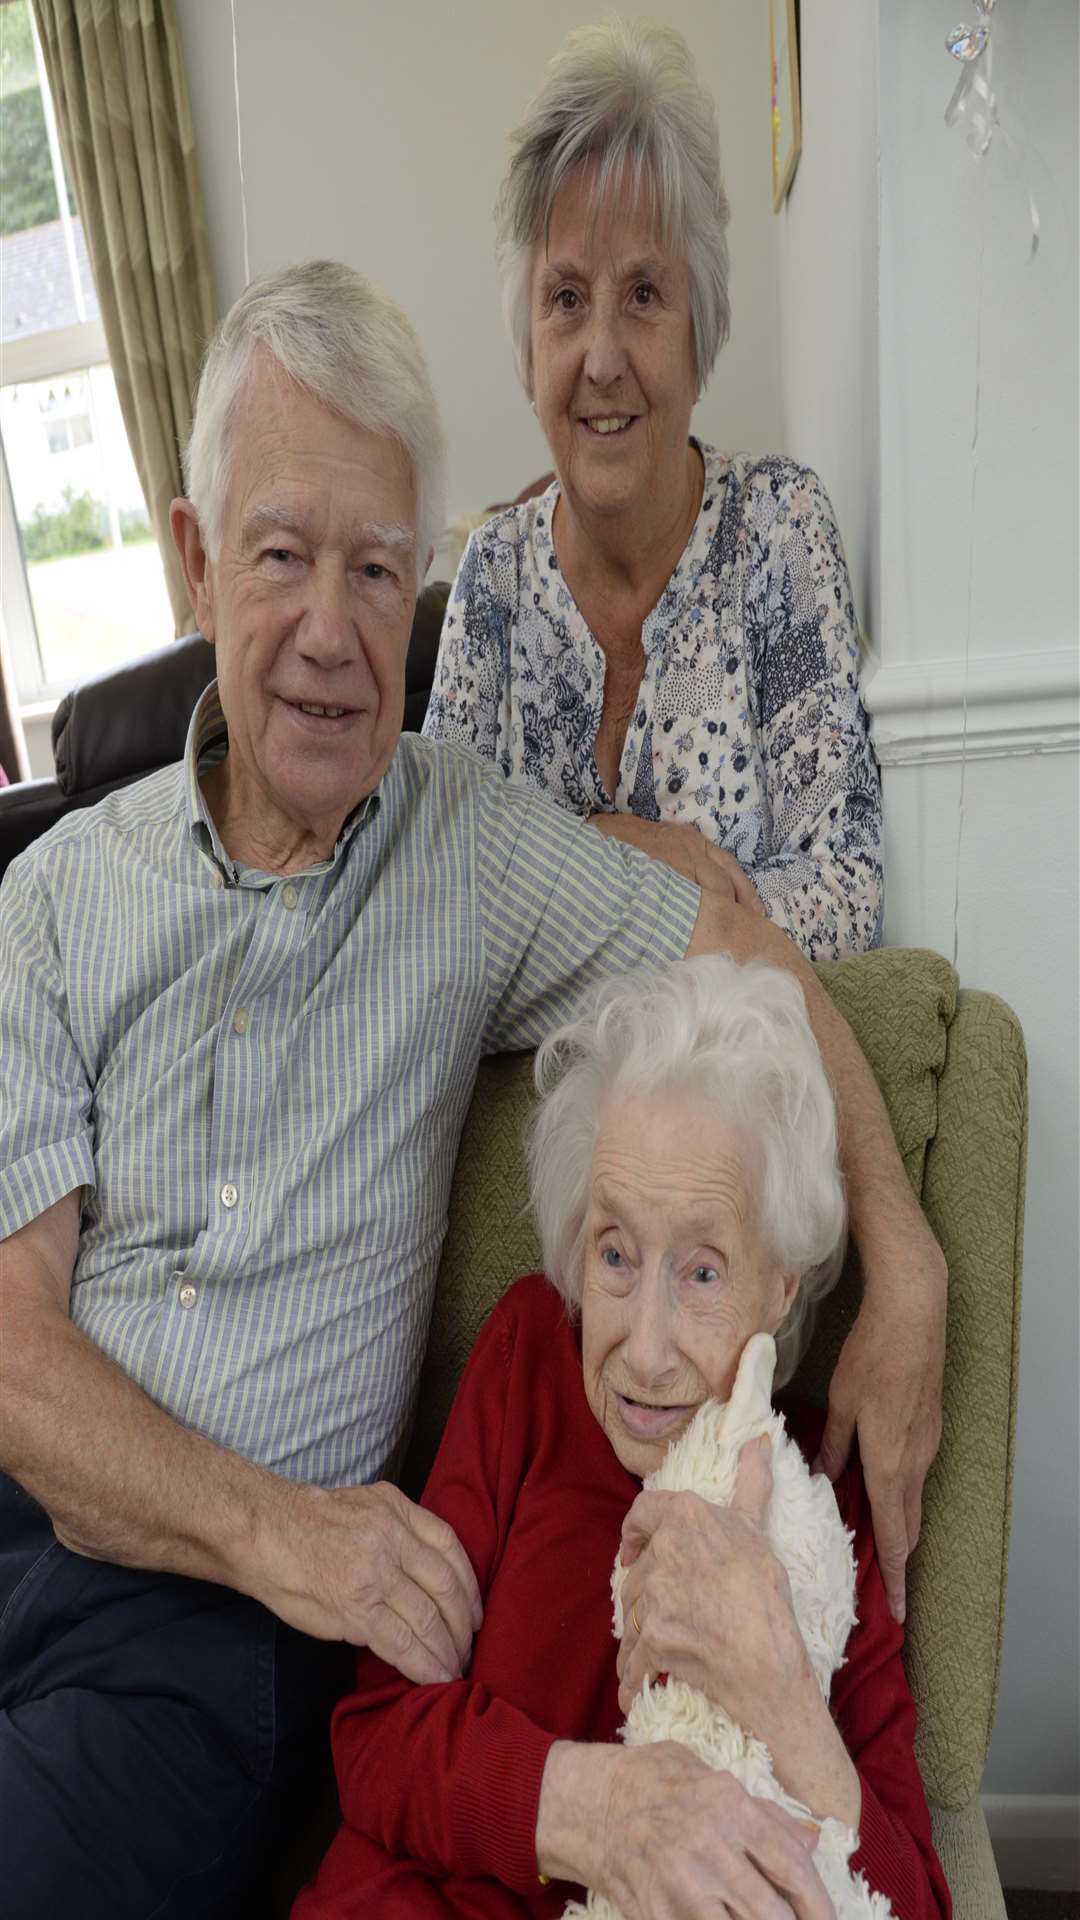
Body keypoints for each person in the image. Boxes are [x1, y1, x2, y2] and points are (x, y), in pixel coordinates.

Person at [0, 260, 941, 1920]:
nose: (333, 633)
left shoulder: (468, 852)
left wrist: (907, 1256)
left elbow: (745, 950)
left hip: (207, 1650)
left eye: (381, 570)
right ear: (196, 559)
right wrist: (277, 1528)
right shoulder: (54, 899)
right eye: (283, 556)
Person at [294, 956, 951, 1919]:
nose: (641, 1353)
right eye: (614, 1254)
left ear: (782, 1284)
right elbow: (379, 1738)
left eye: (702, 1273)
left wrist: (779, 1695)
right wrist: (600, 1810)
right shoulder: (530, 1359)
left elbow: (917, 1904)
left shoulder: (828, 1495)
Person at [424, 17, 882, 966]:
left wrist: (568, 901)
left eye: (642, 294)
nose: (600, 358)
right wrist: (618, 848)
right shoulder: (493, 581)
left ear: (698, 326)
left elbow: (844, 892)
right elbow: (437, 900)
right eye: (565, 298)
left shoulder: (778, 530)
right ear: (529, 338)